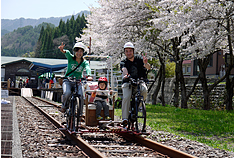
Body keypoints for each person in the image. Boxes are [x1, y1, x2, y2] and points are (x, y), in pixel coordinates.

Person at [120, 42, 151, 126]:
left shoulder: (139, 59)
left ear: (133, 51)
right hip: (128, 82)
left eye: (130, 51)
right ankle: (125, 118)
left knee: (144, 90)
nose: (128, 53)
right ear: (124, 52)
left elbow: (148, 67)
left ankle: (139, 106)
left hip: (139, 81)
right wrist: (126, 75)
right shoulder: (124, 61)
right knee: (126, 97)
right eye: (126, 51)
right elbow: (124, 69)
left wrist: (145, 63)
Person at [58, 42, 91, 115]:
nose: (79, 53)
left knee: (81, 95)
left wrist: (89, 75)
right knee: (67, 93)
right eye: (77, 51)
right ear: (75, 52)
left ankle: (80, 112)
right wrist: (62, 50)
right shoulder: (71, 58)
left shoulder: (84, 62)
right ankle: (64, 106)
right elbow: (67, 52)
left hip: (78, 81)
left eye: (81, 51)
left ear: (83, 53)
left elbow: (88, 67)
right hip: (68, 80)